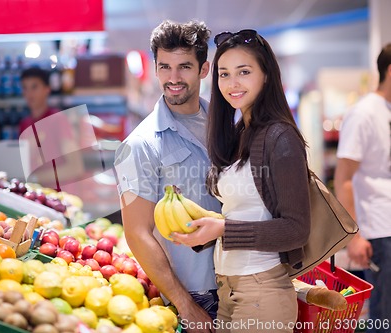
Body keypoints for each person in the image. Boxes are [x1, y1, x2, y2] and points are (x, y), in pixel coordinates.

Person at [172, 30, 311, 333]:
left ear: (266, 76)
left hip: (262, 290)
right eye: (224, 74)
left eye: (244, 72)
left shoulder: (281, 137)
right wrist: (205, 231)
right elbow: (246, 211)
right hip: (229, 289)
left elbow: (296, 229)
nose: (232, 84)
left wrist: (223, 229)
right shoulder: (238, 134)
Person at [114, 20, 221, 332]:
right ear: (156, 68)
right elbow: (137, 233)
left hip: (241, 281)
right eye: (165, 67)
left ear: (204, 69)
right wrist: (186, 305)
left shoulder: (227, 125)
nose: (173, 78)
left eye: (184, 66)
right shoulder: (139, 145)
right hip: (195, 293)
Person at [334, 43, 391, 333]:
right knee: (384, 318)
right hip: (379, 232)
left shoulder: (385, 110)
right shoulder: (364, 113)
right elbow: (344, 177)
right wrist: (354, 236)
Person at [19, 66, 60, 135]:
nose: (29, 93)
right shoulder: (24, 124)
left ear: (47, 89)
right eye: (25, 88)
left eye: (34, 87)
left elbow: (68, 144)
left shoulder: (58, 119)